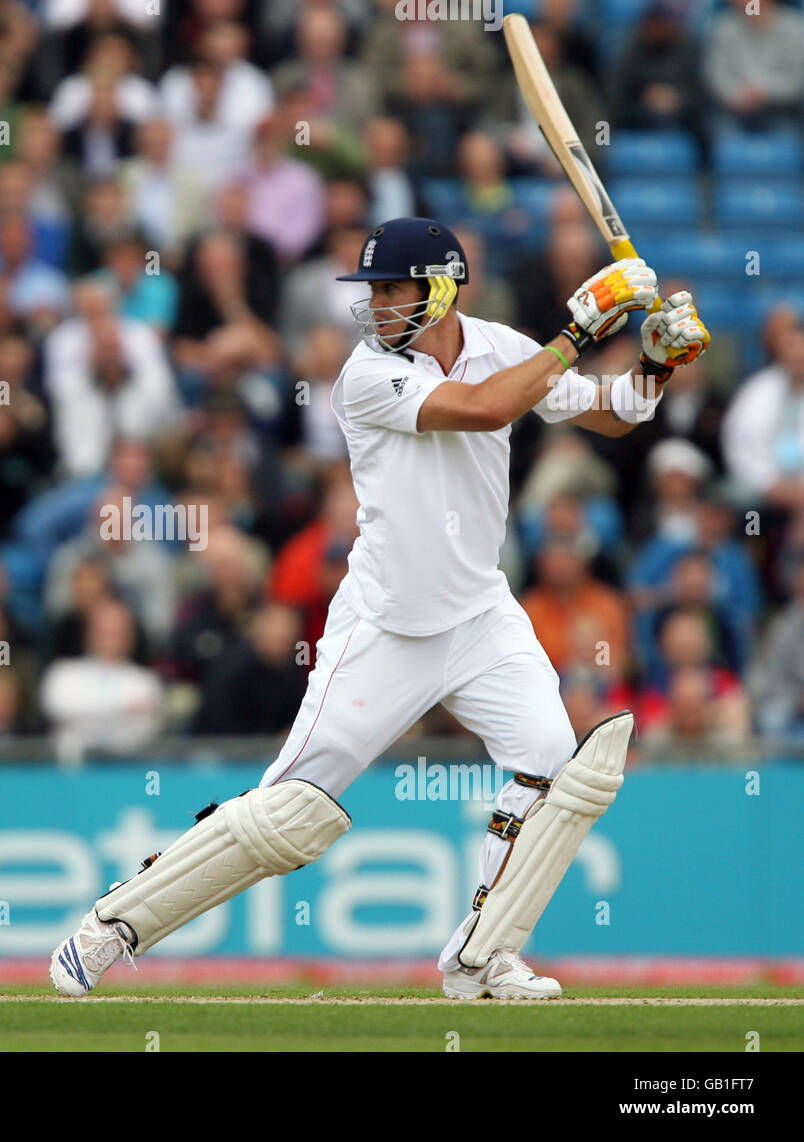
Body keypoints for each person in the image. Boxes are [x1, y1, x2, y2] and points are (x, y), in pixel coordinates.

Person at [50, 216, 710, 999]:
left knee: (558, 769)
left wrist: (656, 361)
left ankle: (482, 956)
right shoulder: (365, 376)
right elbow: (483, 409)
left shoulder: (500, 345)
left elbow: (614, 411)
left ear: (439, 287)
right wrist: (580, 323)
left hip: (479, 615)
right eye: (372, 290)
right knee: (286, 814)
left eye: (392, 288)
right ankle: (105, 932)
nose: (375, 305)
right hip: (386, 624)